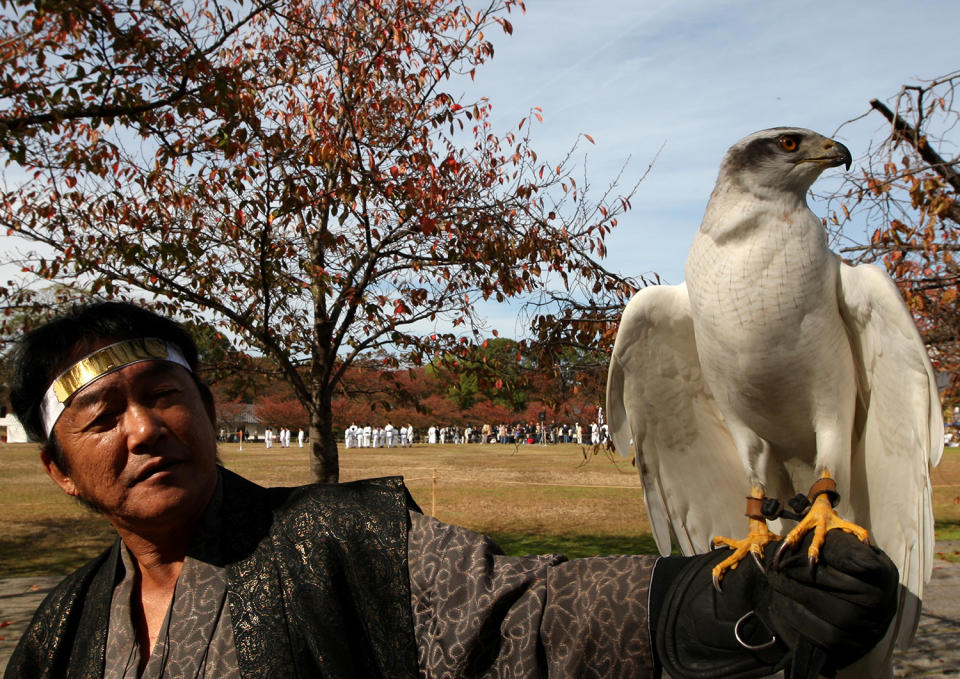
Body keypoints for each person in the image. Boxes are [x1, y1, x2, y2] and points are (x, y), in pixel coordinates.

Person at [5, 302, 899, 679]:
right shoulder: (59, 631)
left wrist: (733, 602)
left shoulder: (335, 541)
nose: (145, 428)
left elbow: (533, 613)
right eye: (101, 416)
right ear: (58, 468)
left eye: (165, 396)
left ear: (203, 407)